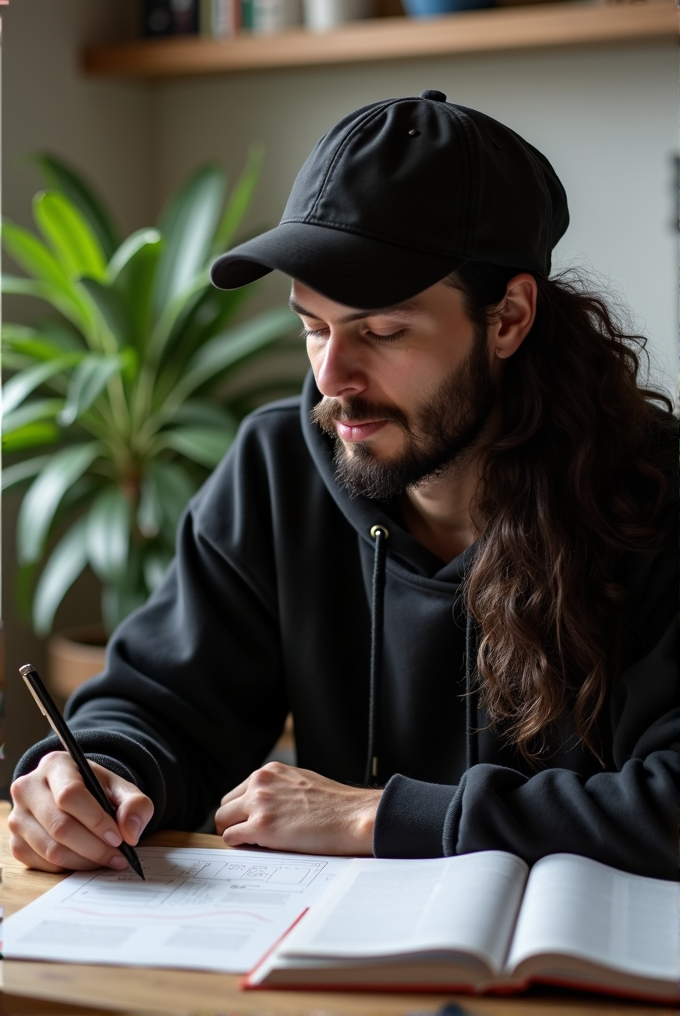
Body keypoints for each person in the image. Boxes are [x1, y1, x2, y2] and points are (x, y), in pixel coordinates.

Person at [10, 92, 677, 881]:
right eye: (313, 327)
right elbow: (163, 703)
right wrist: (98, 776)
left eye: (382, 331)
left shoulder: (652, 495)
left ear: (508, 318)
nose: (332, 378)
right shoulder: (276, 467)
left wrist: (378, 815)